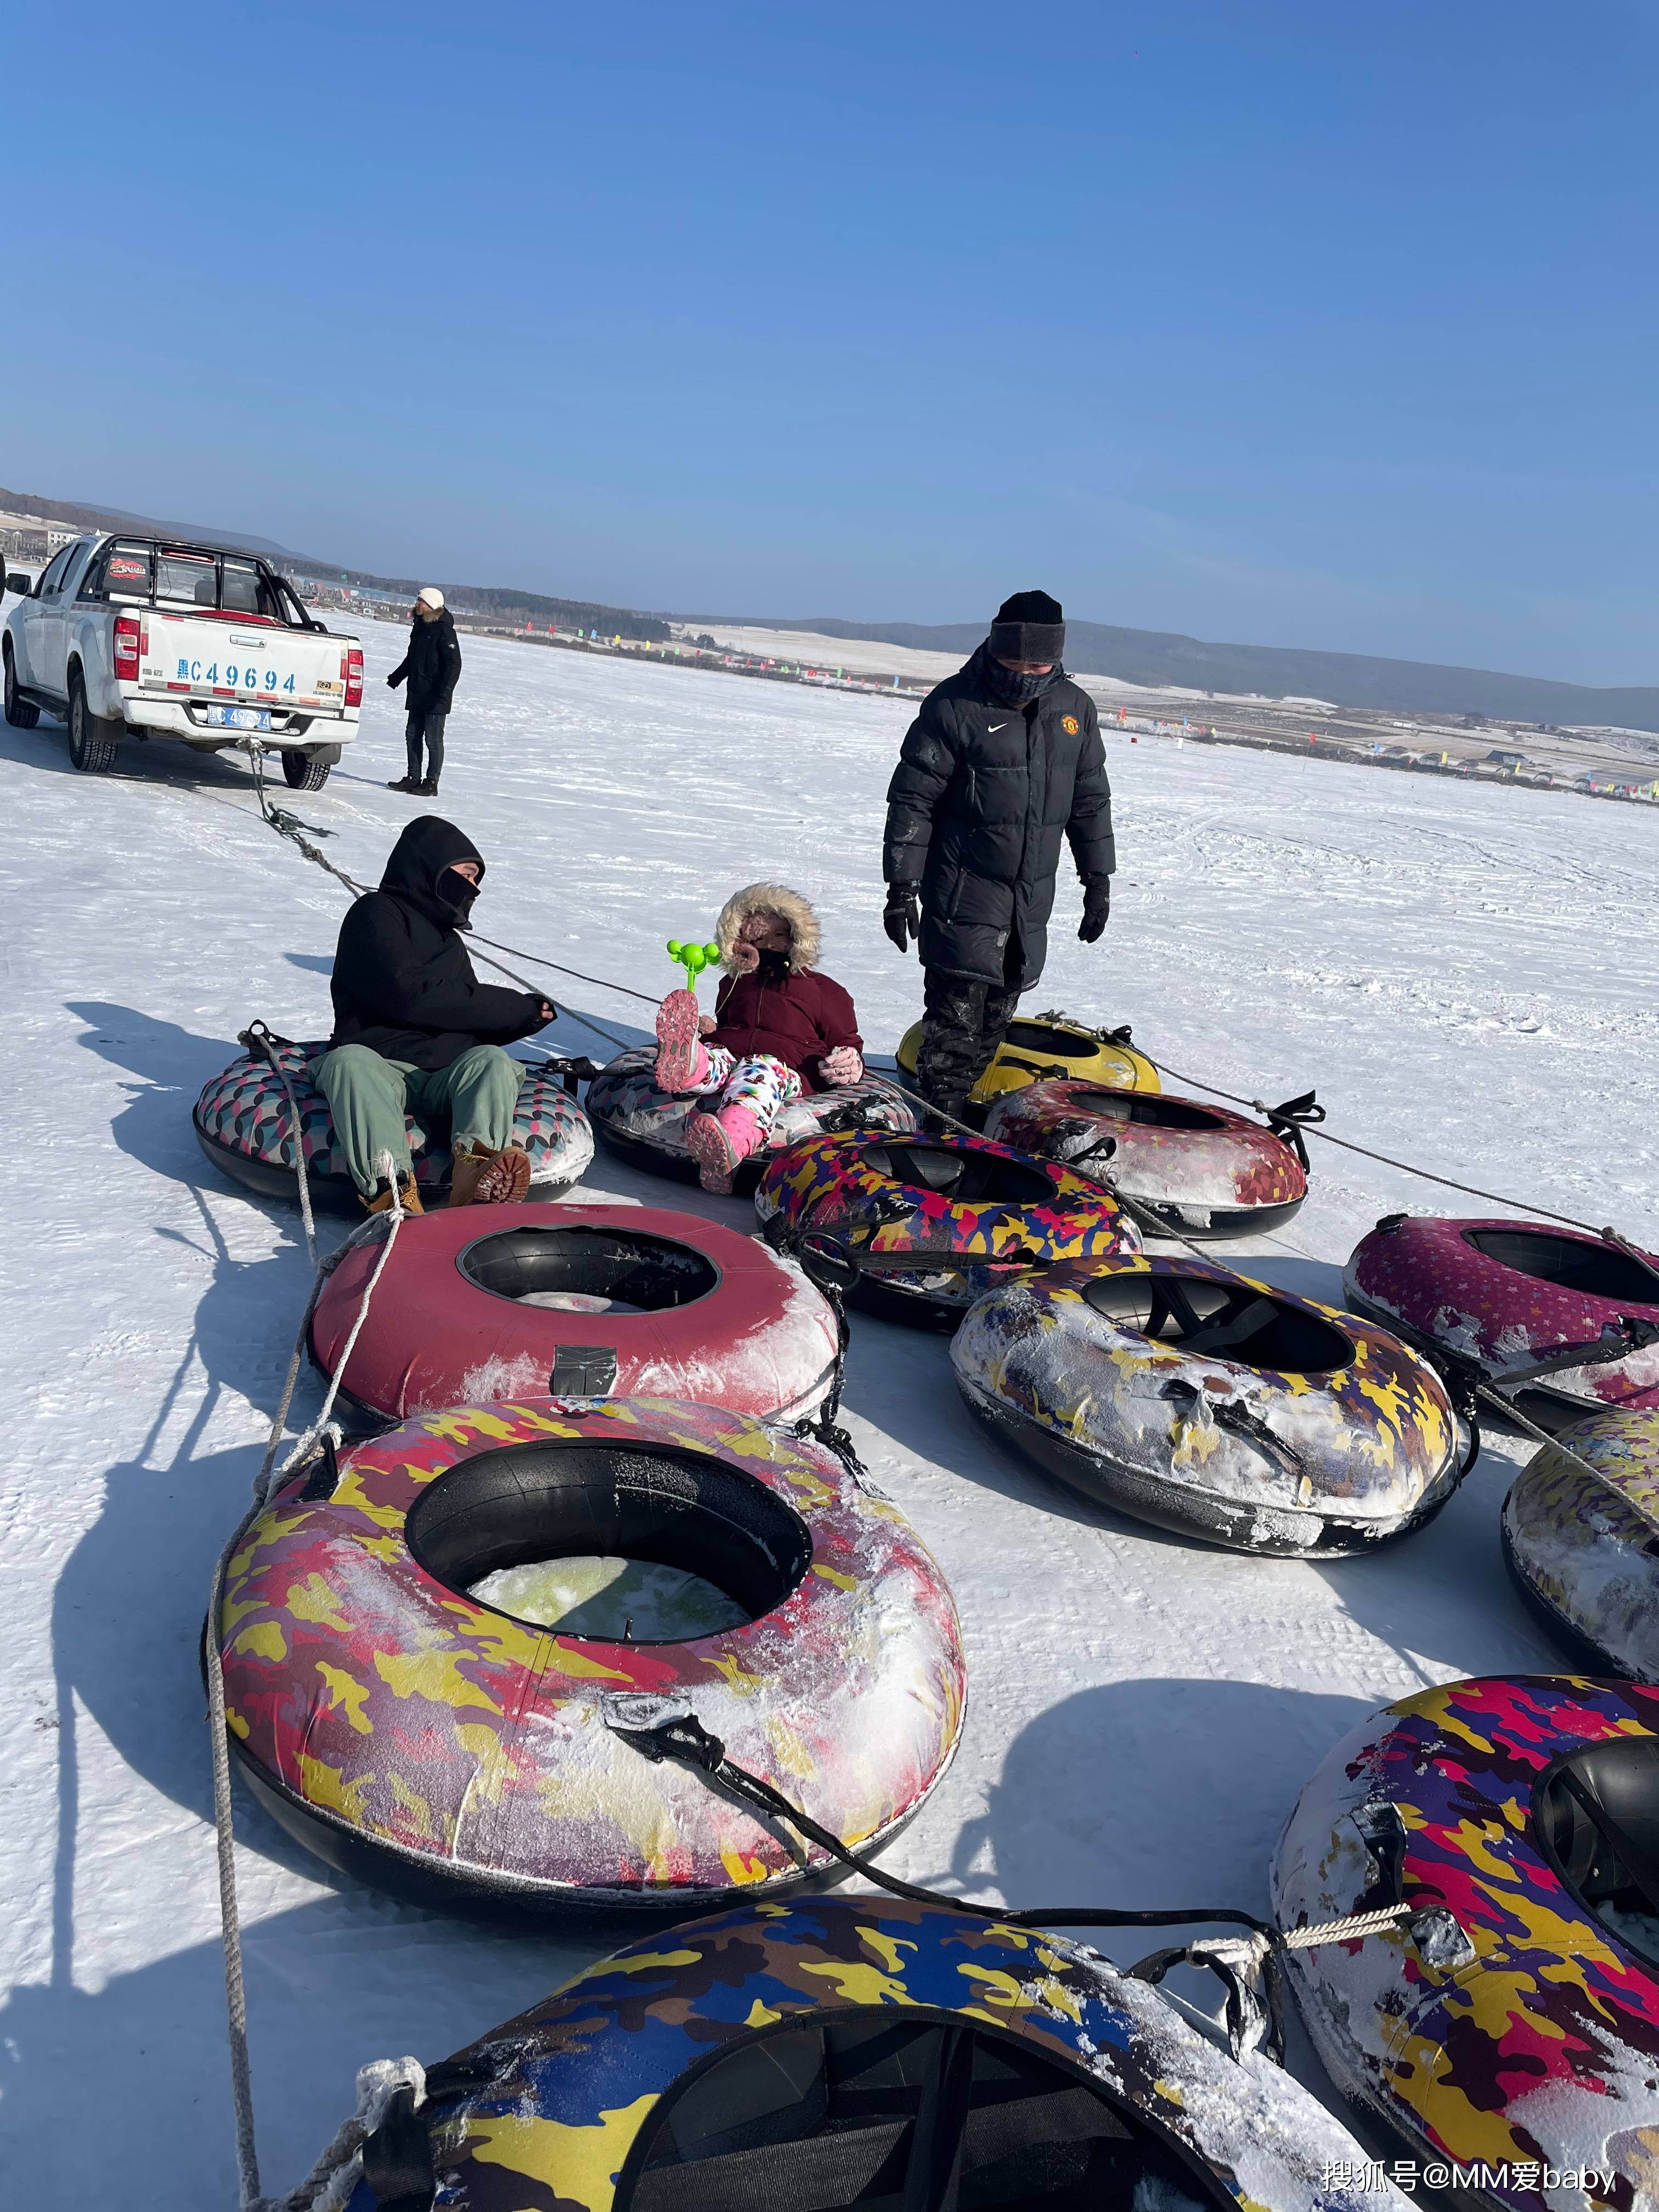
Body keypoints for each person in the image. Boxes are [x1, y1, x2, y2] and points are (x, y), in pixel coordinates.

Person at [881, 589, 1114, 1122]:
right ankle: (937, 1138)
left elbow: (1090, 801)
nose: (1027, 672)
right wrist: (901, 890)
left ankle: (957, 1129)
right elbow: (912, 801)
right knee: (953, 1034)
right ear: (994, 644)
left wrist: (1097, 881)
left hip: (1030, 905)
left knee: (991, 1027)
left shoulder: (1074, 710)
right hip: (960, 894)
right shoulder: (955, 704)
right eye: (1016, 659)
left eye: (1040, 661)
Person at [311, 816, 555, 1212]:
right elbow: (411, 996)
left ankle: (478, 1174)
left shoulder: (451, 944)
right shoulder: (376, 914)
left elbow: (462, 1014)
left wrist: (526, 1018)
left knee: (491, 1060)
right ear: (431, 866)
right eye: (467, 874)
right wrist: (513, 1005)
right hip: (379, 1065)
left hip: (440, 1075)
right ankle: (393, 1191)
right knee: (348, 1063)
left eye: (477, 880)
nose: (473, 888)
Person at [652, 884, 863, 1192]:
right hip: (733, 1053)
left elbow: (847, 1041)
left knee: (760, 1071)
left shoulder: (822, 990)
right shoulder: (735, 982)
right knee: (717, 1056)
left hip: (787, 1069)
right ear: (740, 942)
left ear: (797, 940)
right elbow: (733, 1024)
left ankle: (732, 1142)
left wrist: (848, 1061)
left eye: (780, 937)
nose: (770, 946)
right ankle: (687, 1064)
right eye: (759, 939)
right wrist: (713, 1030)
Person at [386, 586, 462, 795]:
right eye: (418, 600)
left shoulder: (445, 630)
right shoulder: (420, 627)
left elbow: (454, 665)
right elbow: (413, 659)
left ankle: (431, 783)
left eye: (421, 601)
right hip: (418, 691)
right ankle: (413, 777)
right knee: (412, 735)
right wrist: (397, 677)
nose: (417, 604)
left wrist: (445, 692)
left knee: (433, 740)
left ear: (432, 606)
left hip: (437, 696)